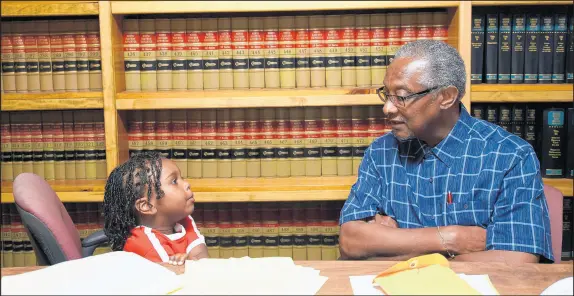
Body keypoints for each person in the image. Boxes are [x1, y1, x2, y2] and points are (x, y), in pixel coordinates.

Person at [338, 40, 553, 264]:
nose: (387, 108)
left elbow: (518, 260)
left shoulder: (510, 155)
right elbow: (351, 242)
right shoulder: (380, 151)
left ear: (446, 97)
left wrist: (392, 246)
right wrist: (451, 238)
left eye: (401, 96)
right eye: (386, 94)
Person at [103, 151, 208, 265]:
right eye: (174, 181)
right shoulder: (142, 244)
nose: (187, 184)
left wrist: (191, 264)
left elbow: (202, 257)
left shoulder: (184, 220)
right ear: (147, 206)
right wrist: (190, 265)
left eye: (181, 178)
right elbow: (172, 278)